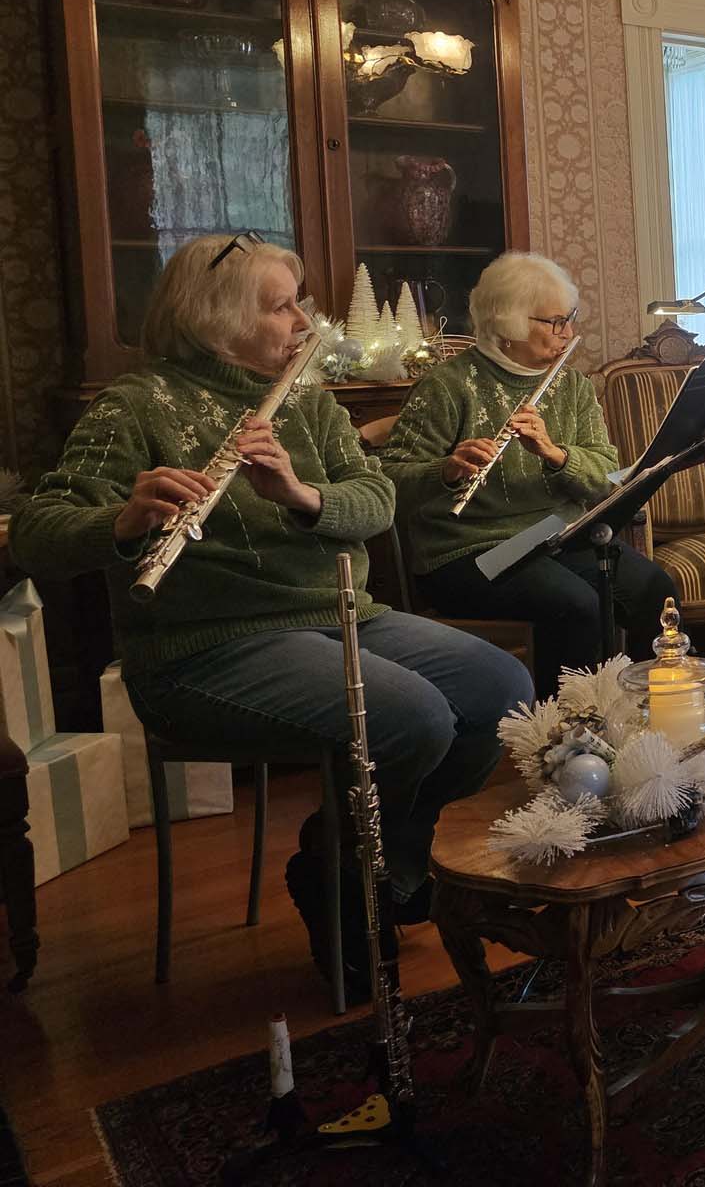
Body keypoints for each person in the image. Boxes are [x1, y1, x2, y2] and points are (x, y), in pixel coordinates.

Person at [10, 233, 532, 1000]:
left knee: (501, 688)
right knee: (412, 717)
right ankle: (350, 888)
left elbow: (377, 500)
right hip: (203, 647)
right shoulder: (135, 405)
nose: (302, 321)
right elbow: (35, 533)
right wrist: (122, 521)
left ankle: (367, 859)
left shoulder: (307, 398)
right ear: (215, 318)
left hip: (341, 615)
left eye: (300, 301)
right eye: (281, 306)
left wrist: (302, 497)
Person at [382, 252, 670, 695]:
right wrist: (445, 470)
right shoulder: (447, 385)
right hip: (467, 553)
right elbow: (389, 480)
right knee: (576, 606)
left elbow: (604, 480)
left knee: (654, 587)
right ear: (508, 326)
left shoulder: (570, 384)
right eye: (555, 322)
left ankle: (649, 716)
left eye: (569, 318)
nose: (568, 333)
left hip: (555, 536)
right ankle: (563, 735)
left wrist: (554, 455)